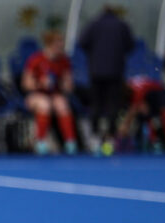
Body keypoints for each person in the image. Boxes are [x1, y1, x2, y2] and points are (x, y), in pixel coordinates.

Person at [77, 5, 134, 155]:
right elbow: (130, 45)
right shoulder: (122, 25)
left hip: (96, 71)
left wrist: (95, 54)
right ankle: (109, 138)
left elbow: (82, 43)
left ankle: (95, 138)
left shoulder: (94, 24)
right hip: (115, 71)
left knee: (96, 104)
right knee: (113, 105)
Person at [22, 30, 78, 155]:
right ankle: (40, 141)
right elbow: (26, 84)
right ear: (50, 45)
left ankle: (70, 142)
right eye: (58, 45)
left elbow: (69, 85)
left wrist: (65, 85)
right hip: (36, 95)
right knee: (44, 104)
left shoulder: (64, 61)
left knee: (62, 104)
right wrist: (40, 84)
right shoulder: (36, 59)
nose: (61, 47)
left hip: (54, 95)